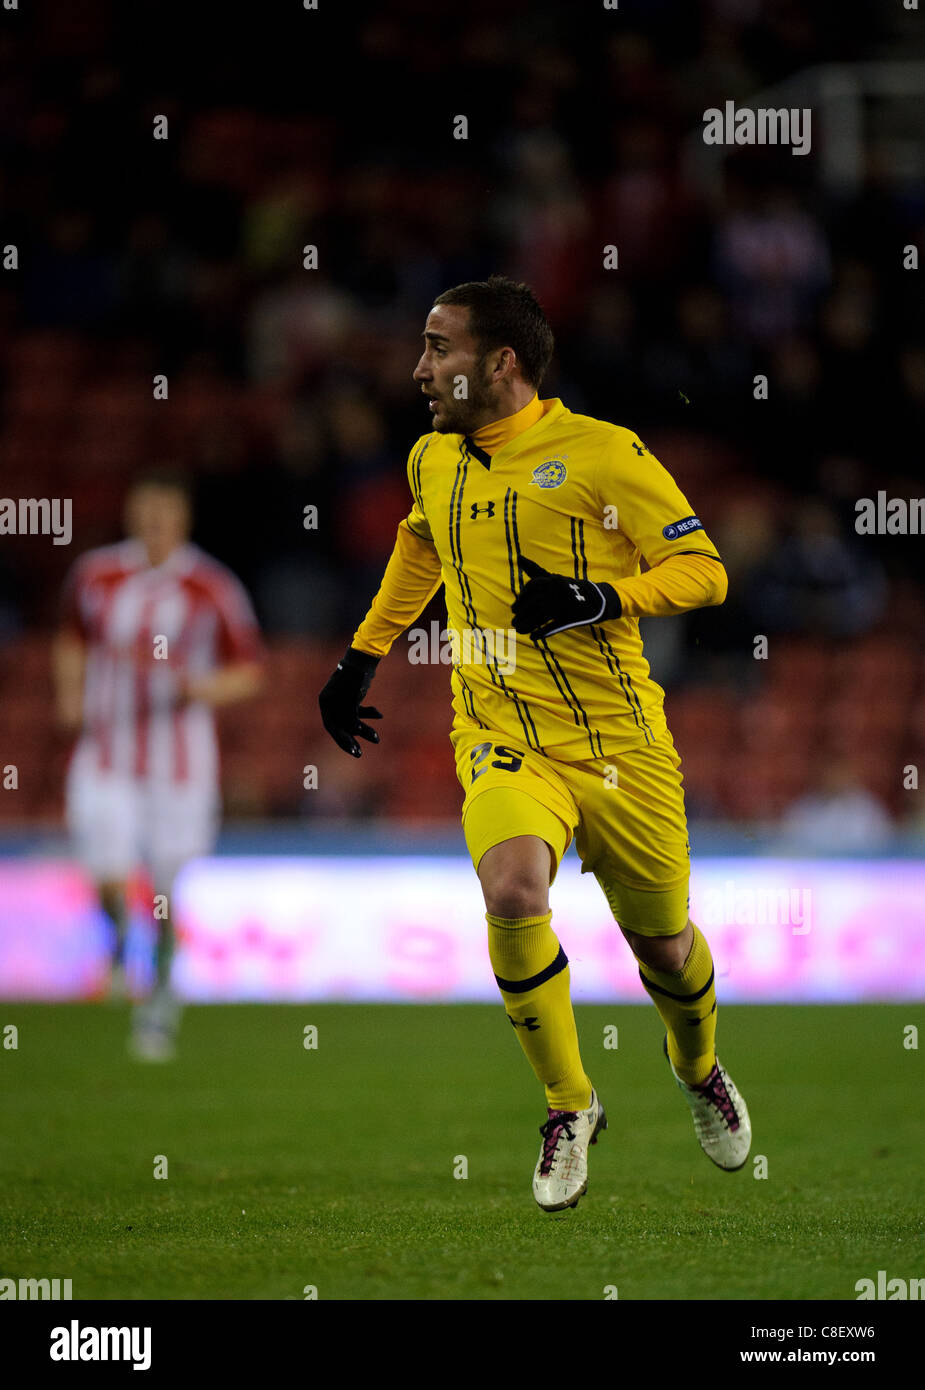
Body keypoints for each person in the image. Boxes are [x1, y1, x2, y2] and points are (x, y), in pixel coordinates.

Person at [319, 276, 750, 1211]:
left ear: (499, 362)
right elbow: (419, 547)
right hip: (500, 730)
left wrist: (606, 596)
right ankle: (568, 1105)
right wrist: (361, 656)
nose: (420, 369)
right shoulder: (433, 459)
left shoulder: (601, 454)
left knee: (667, 948)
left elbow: (704, 568)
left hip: (617, 742)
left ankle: (698, 1067)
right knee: (513, 888)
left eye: (439, 348)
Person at [54, 469, 263, 1059]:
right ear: (130, 515)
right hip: (106, 754)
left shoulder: (210, 587)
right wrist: (70, 694)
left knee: (167, 887)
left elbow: (249, 670)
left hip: (179, 765)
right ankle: (120, 942)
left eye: (164, 516)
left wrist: (201, 687)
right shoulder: (97, 574)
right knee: (107, 872)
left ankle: (162, 993)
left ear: (182, 521)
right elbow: (70, 636)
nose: (153, 526)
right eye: (144, 514)